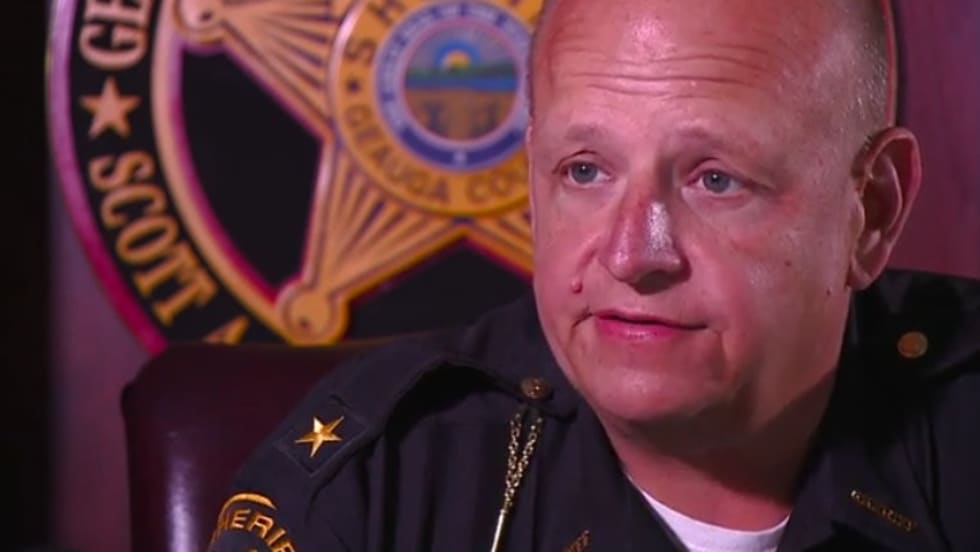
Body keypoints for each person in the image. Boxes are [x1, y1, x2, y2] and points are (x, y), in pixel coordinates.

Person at [208, 0, 980, 550]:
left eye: (716, 180)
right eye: (585, 170)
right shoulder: (378, 489)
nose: (632, 255)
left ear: (872, 210)